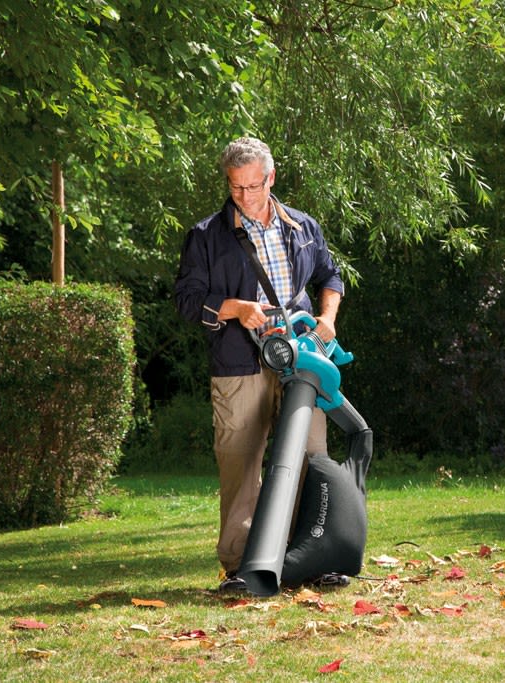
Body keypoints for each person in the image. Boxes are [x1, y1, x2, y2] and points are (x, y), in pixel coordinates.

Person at [174, 136, 345, 593]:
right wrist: (235, 308)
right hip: (238, 365)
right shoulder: (206, 236)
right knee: (240, 464)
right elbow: (187, 300)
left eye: (253, 186)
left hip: (302, 360)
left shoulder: (303, 227)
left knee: (310, 457)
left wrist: (327, 318)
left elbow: (330, 275)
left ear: (271, 178)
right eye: (236, 187)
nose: (245, 196)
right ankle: (240, 567)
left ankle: (310, 559)